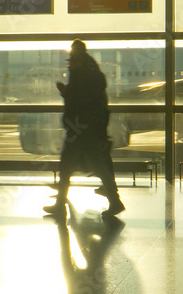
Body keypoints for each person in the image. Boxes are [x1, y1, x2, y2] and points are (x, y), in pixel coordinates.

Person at [43, 40, 125, 219]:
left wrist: (64, 92)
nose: (69, 64)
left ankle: (114, 201)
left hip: (79, 129)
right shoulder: (94, 73)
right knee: (93, 165)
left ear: (76, 58)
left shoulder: (80, 75)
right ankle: (114, 201)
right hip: (91, 128)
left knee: (69, 166)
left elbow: (78, 101)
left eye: (71, 60)